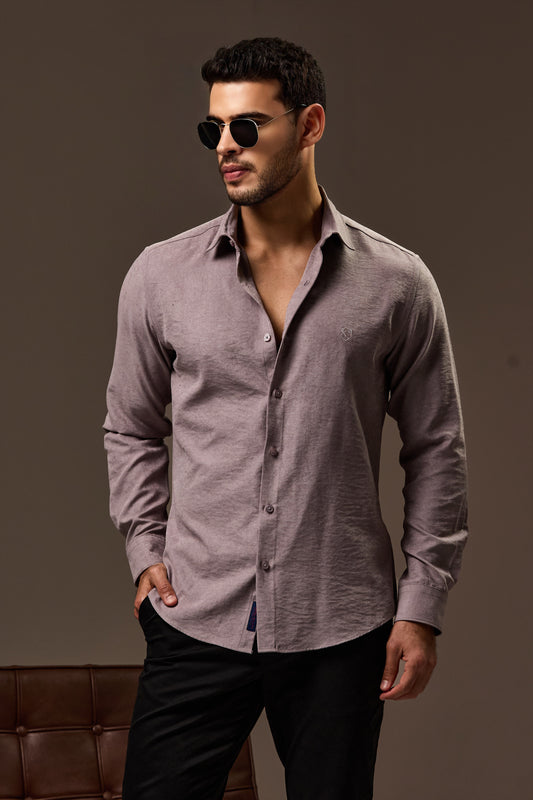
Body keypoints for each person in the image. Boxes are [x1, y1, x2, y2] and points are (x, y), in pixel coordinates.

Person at [103, 36, 468, 800]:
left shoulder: (397, 284)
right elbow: (131, 425)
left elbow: (437, 449)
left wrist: (421, 606)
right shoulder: (159, 277)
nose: (224, 148)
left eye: (246, 127)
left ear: (309, 125)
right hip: (196, 615)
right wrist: (144, 547)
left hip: (341, 627)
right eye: (212, 129)